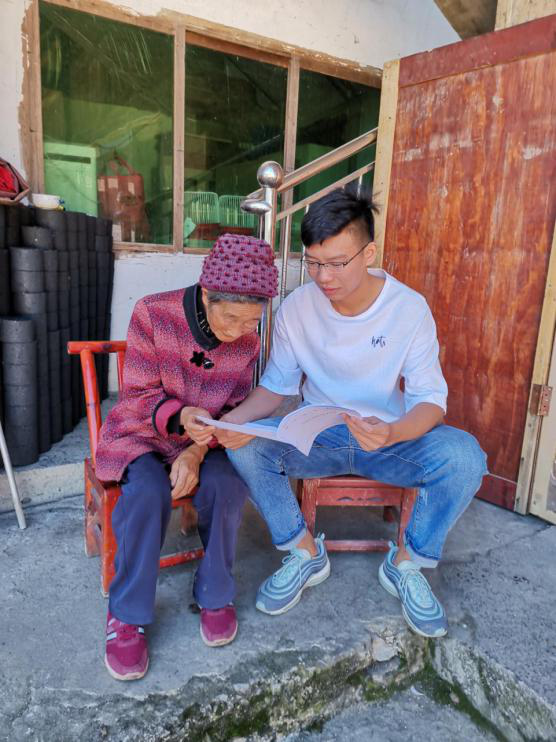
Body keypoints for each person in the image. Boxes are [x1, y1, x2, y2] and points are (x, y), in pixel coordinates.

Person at [186, 185, 487, 640]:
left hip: (387, 438)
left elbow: (431, 400)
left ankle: (408, 563)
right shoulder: (297, 308)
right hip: (318, 438)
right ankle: (304, 552)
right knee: (244, 447)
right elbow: (276, 387)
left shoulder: (408, 309)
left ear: (369, 254)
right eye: (313, 262)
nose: (323, 277)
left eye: (336, 263)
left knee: (465, 457)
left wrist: (392, 433)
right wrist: (232, 423)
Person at [95, 234, 278, 680]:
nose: (239, 331)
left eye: (251, 321)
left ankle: (215, 591)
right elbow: (137, 396)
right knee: (147, 491)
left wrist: (196, 449)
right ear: (206, 292)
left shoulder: (247, 341)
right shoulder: (153, 314)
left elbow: (233, 409)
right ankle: (127, 613)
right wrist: (182, 417)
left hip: (204, 439)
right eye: (231, 317)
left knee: (228, 483)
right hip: (142, 433)